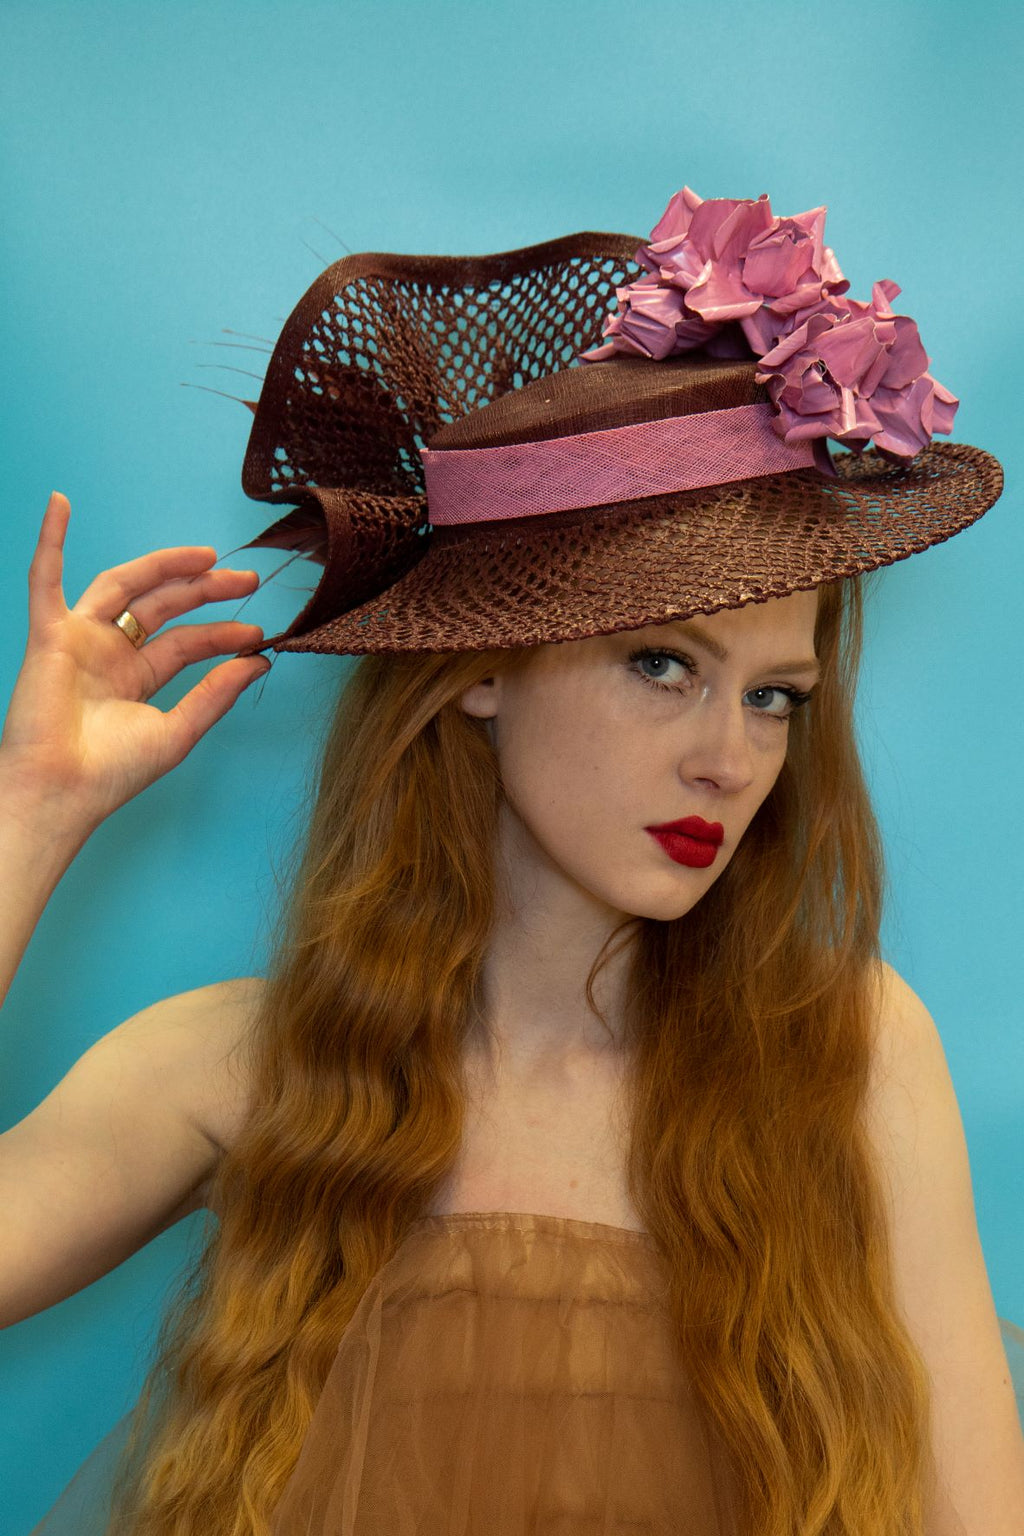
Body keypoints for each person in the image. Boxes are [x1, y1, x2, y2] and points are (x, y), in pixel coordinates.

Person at [3, 186, 1023, 1536]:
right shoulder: (251, 1067)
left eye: (775, 696)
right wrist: (32, 813)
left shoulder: (846, 1053)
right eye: (663, 666)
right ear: (486, 667)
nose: (732, 758)